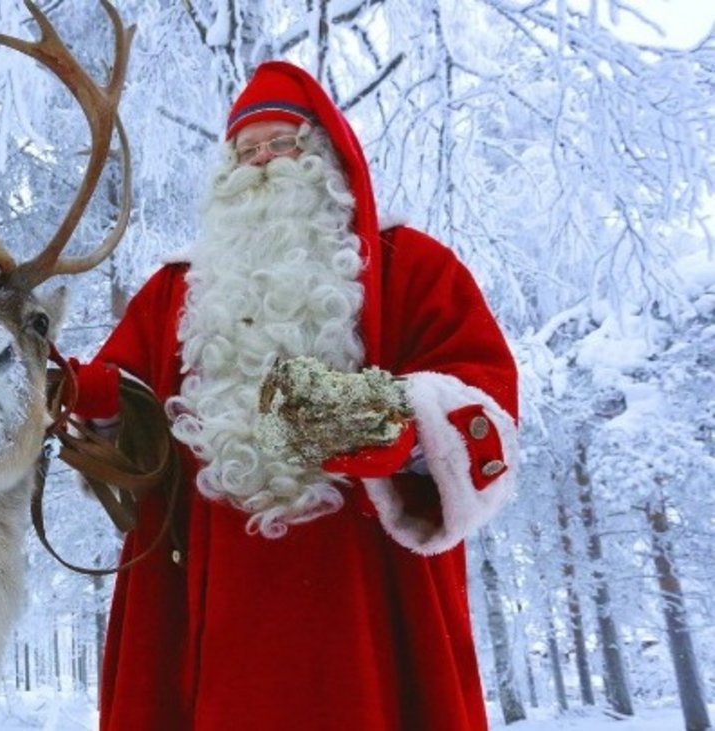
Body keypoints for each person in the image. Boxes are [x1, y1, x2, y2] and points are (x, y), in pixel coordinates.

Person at [69, 62, 519, 730]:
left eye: (281, 145)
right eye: (246, 154)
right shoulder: (174, 294)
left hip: (363, 610)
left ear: (326, 158)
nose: (261, 166)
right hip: (212, 614)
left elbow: (487, 409)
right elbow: (131, 429)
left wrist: (388, 423)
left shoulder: (412, 266)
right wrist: (90, 399)